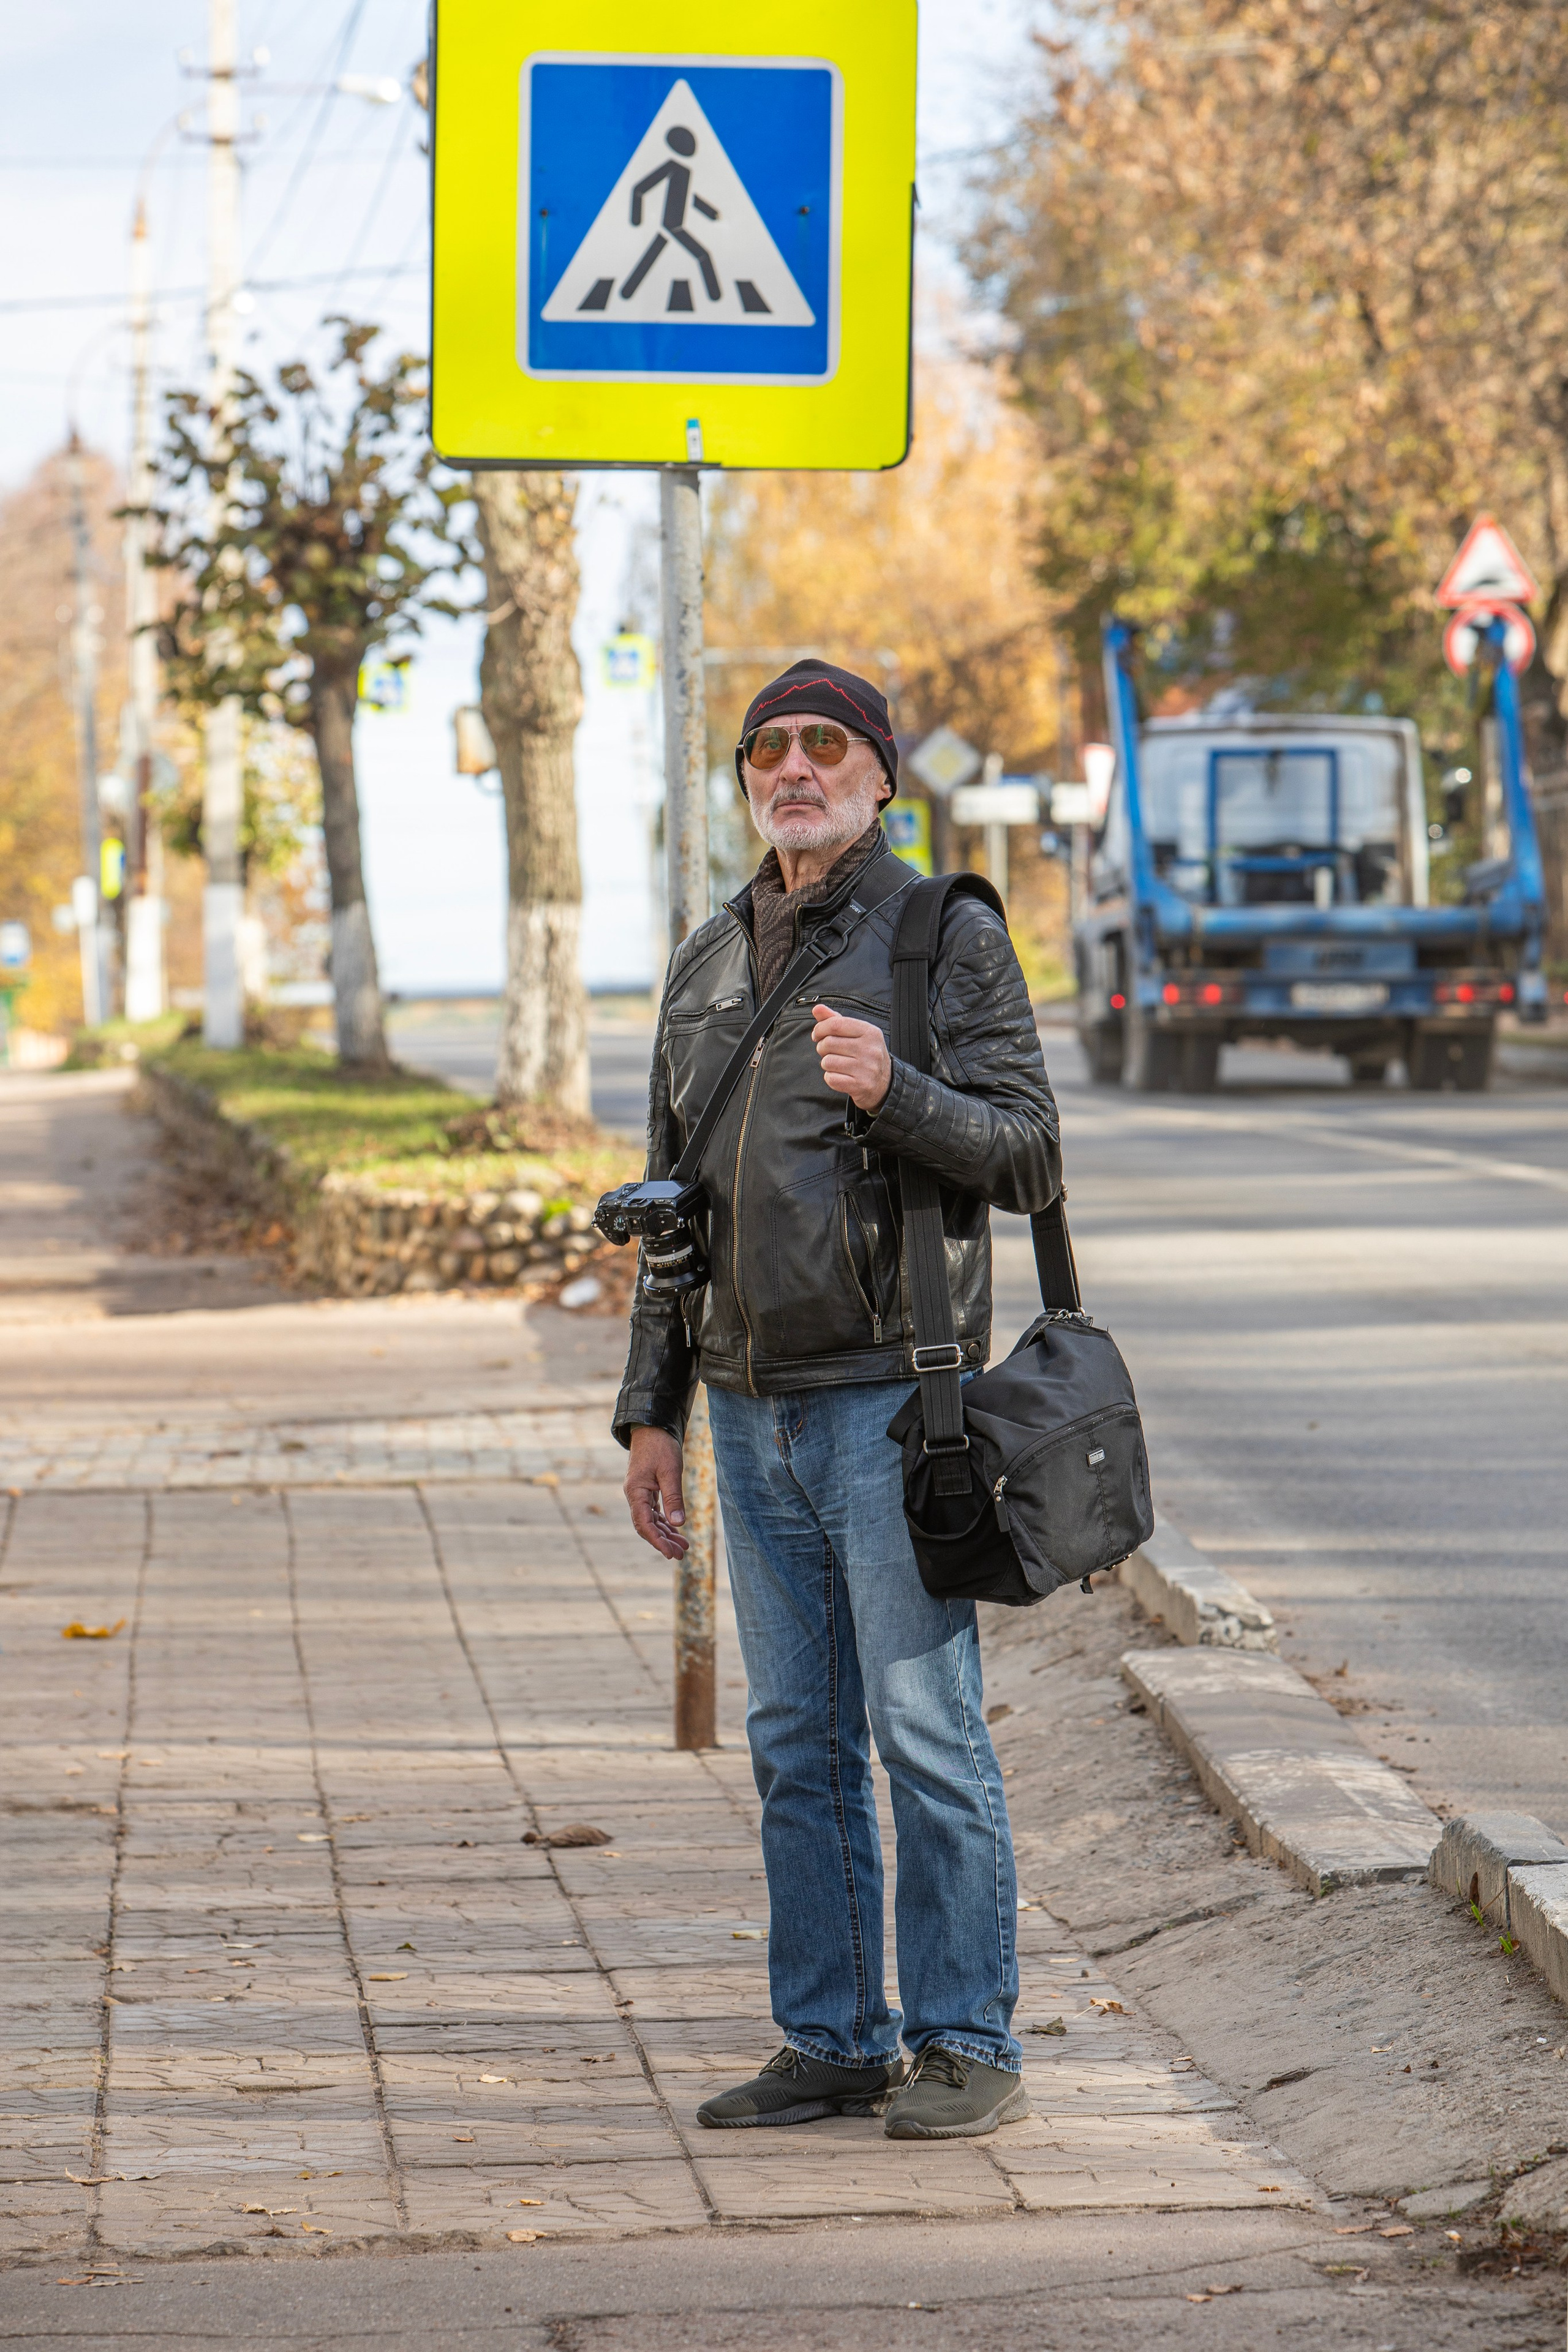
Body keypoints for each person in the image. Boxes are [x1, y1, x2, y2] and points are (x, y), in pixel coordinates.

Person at [614, 658, 1061, 2140]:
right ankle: (831, 2036)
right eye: (768, 749)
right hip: (745, 1408)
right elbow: (670, 1206)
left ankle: (961, 2037)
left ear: (878, 776)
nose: (793, 768)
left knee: (923, 1730)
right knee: (793, 1740)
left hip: (890, 1402)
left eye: (825, 745)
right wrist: (648, 1411)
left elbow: (1028, 1154)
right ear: (746, 779)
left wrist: (897, 1093)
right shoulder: (703, 960)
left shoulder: (940, 934)